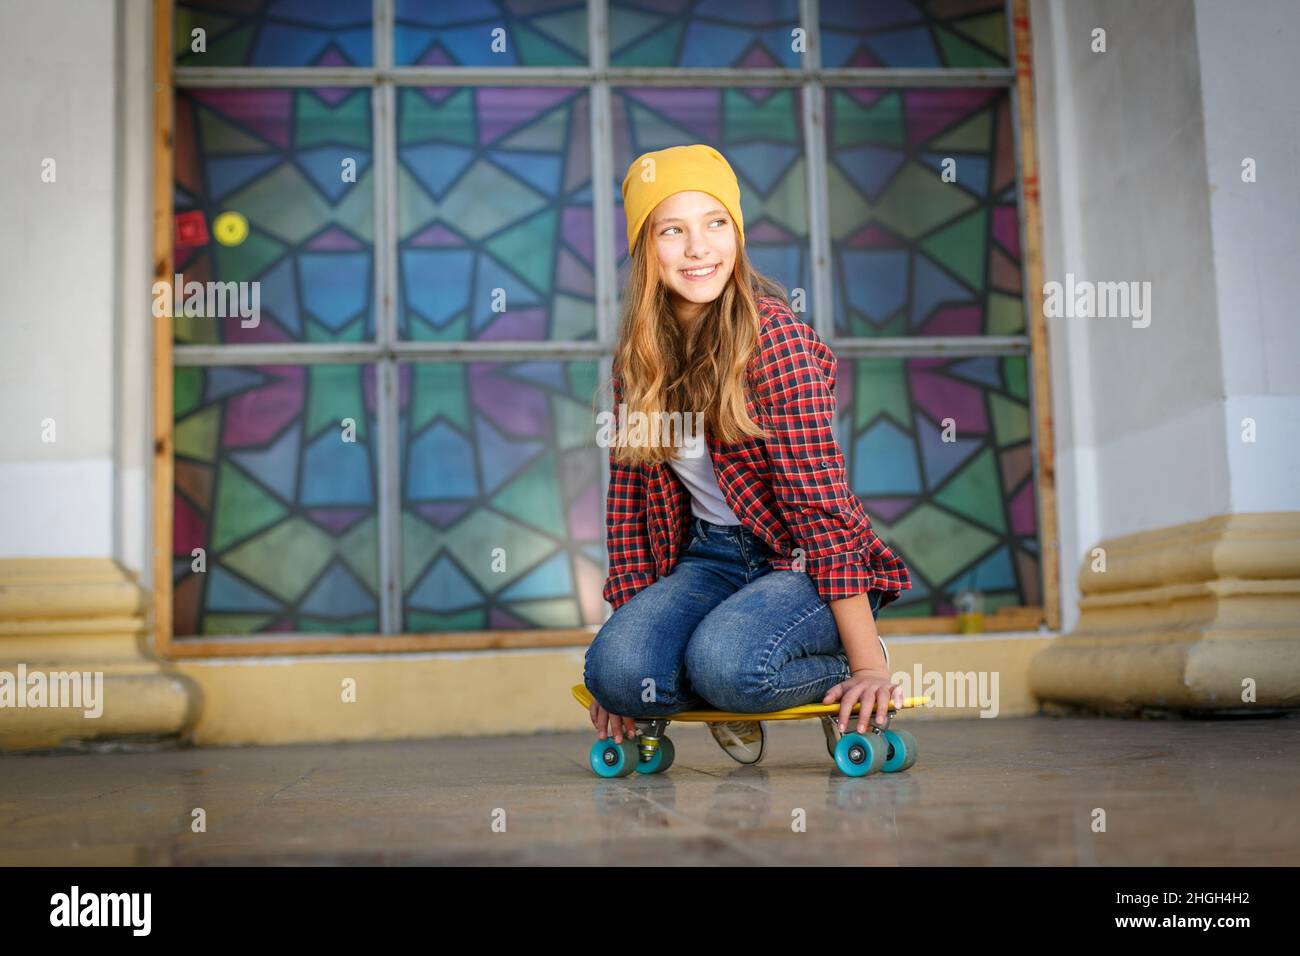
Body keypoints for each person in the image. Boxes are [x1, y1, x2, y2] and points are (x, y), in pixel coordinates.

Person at [584, 144, 913, 765]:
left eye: (715, 224)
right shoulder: (640, 363)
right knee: (619, 670)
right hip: (708, 560)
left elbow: (821, 503)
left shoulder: (774, 339)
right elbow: (627, 508)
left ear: (736, 234)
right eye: (672, 230)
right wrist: (628, 671)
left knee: (730, 668)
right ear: (644, 249)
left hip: (800, 561)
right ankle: (695, 664)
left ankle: (838, 655)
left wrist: (868, 665)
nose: (698, 248)